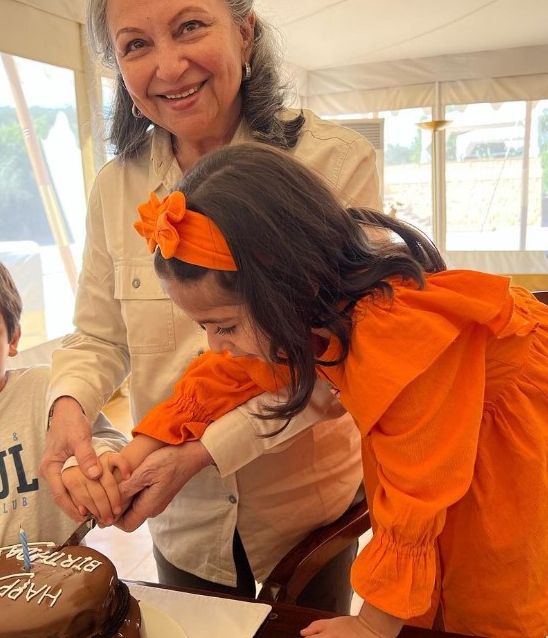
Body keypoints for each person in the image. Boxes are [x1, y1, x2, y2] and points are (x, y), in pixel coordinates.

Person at [41, 0, 380, 613]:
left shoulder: (332, 164)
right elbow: (96, 336)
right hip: (182, 520)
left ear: (245, 33)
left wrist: (200, 452)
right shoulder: (116, 187)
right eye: (135, 44)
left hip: (306, 510)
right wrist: (68, 411)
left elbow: (343, 359)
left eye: (189, 27)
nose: (167, 67)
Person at [130, 142, 548, 638]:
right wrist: (147, 443)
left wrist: (371, 626)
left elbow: (415, 490)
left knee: (492, 601)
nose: (217, 345)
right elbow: (231, 375)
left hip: (508, 458)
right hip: (444, 456)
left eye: (222, 325)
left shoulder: (399, 338)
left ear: (285, 284)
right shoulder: (309, 312)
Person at [0, 245, 128, 578]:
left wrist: (88, 466)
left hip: (55, 584)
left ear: (13, 338)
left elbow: (108, 447)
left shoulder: (45, 390)